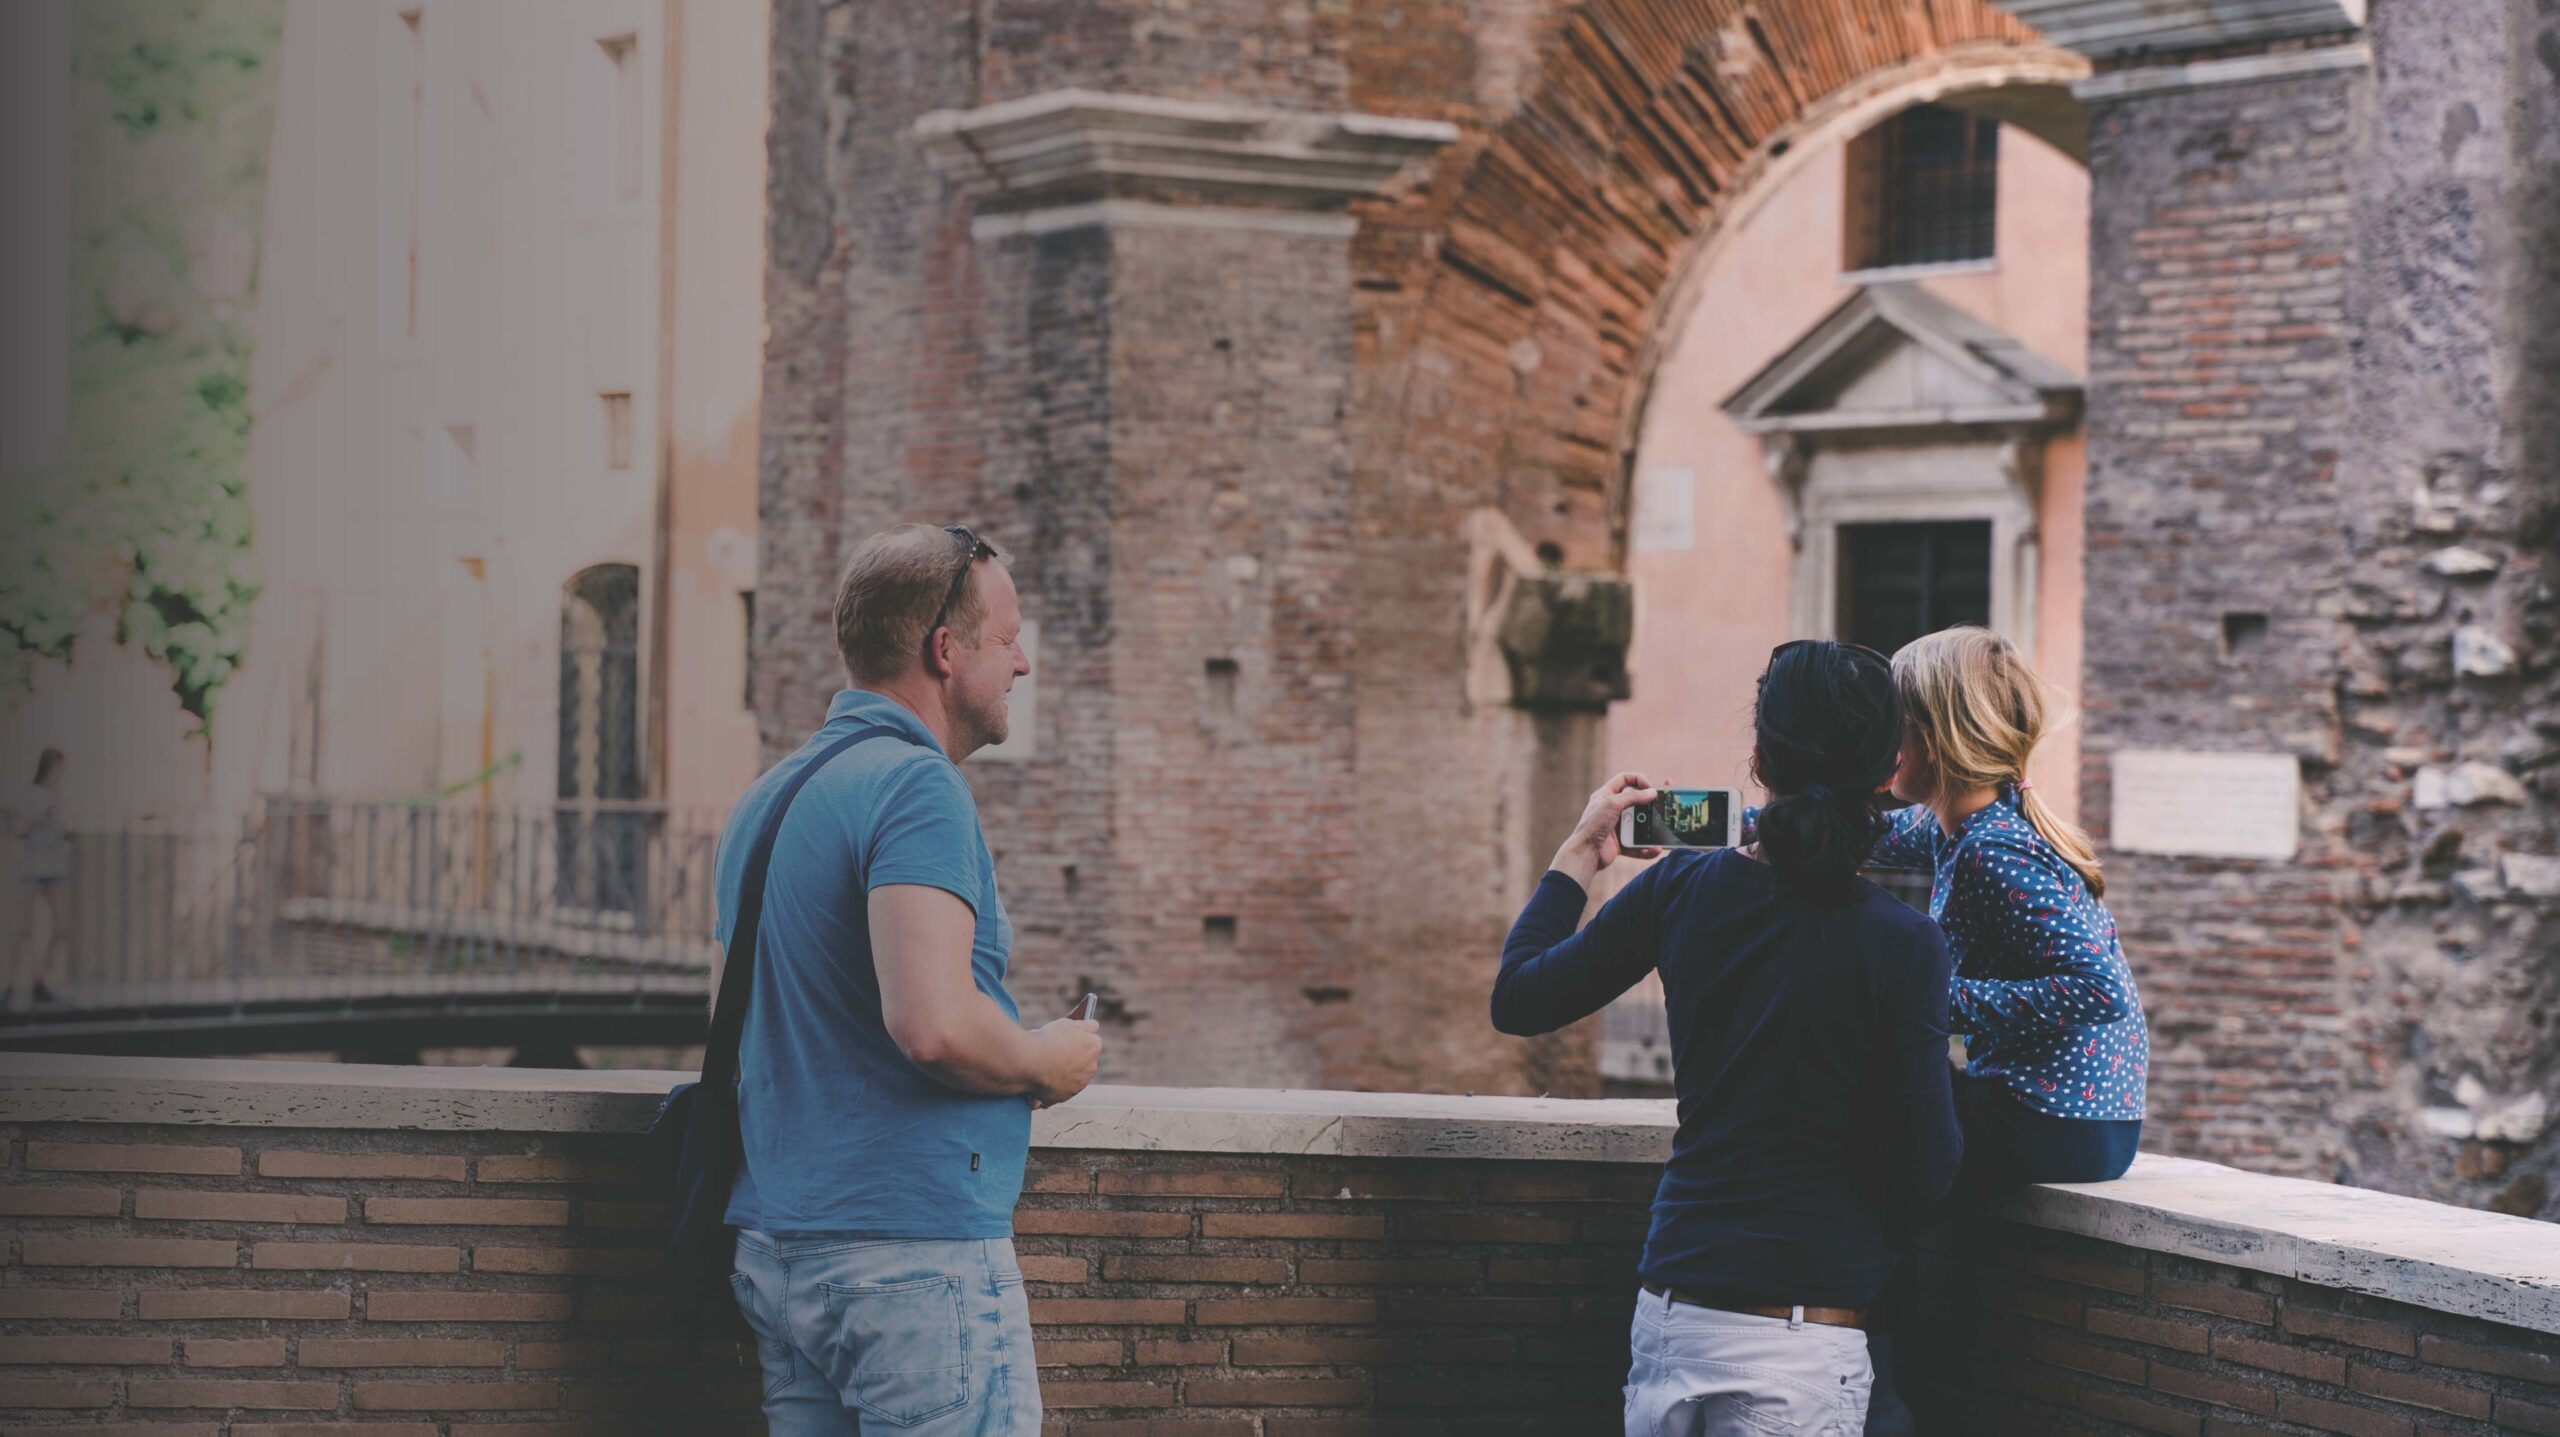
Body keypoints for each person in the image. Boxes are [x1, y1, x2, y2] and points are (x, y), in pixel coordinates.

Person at [1493, 640, 1961, 1437]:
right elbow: (1932, 1168)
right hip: (1803, 1332)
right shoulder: (1904, 942)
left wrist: (1582, 850)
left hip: (1674, 1312)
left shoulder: (1679, 886)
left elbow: (1521, 997)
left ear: (1757, 758)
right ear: (1889, 770)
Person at [720, 524, 1102, 1436]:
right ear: (945, 649)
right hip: (908, 1262)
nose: (1023, 664)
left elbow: (740, 1028)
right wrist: (1050, 1059)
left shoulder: (768, 796)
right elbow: (932, 1024)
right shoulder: (915, 789)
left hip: (779, 1249)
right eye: (1007, 638)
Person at [1874, 626, 2147, 1190]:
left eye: (1888, 726)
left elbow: (2100, 990)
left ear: (1933, 740)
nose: (1878, 744)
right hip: (2084, 1127)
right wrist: (1689, 822)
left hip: (2052, 1125)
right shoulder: (1956, 825)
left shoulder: (1991, 851)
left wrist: (1937, 1001)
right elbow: (1847, 834)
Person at [5, 748, 71, 1013]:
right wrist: (37, 816)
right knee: (23, 930)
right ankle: (8, 984)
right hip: (33, 870)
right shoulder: (32, 795)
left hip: (55, 868)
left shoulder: (57, 796)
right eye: (59, 767)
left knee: (61, 928)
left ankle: (41, 980)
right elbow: (17, 829)